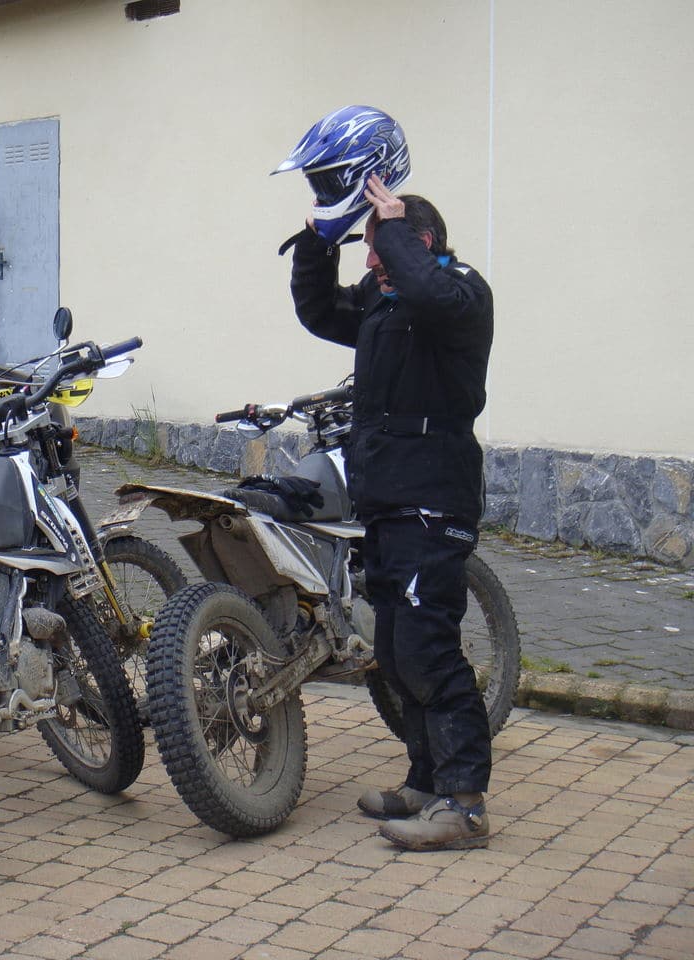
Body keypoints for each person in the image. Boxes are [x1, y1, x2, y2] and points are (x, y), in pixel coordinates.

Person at [275, 105, 495, 851]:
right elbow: (317, 309)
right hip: (387, 499)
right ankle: (425, 782)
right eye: (371, 250)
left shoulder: (459, 293)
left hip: (435, 499)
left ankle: (464, 805)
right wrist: (317, 240)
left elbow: (427, 290)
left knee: (431, 650)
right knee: (398, 655)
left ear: (417, 242)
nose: (373, 262)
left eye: (383, 249)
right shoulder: (384, 298)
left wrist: (389, 225)